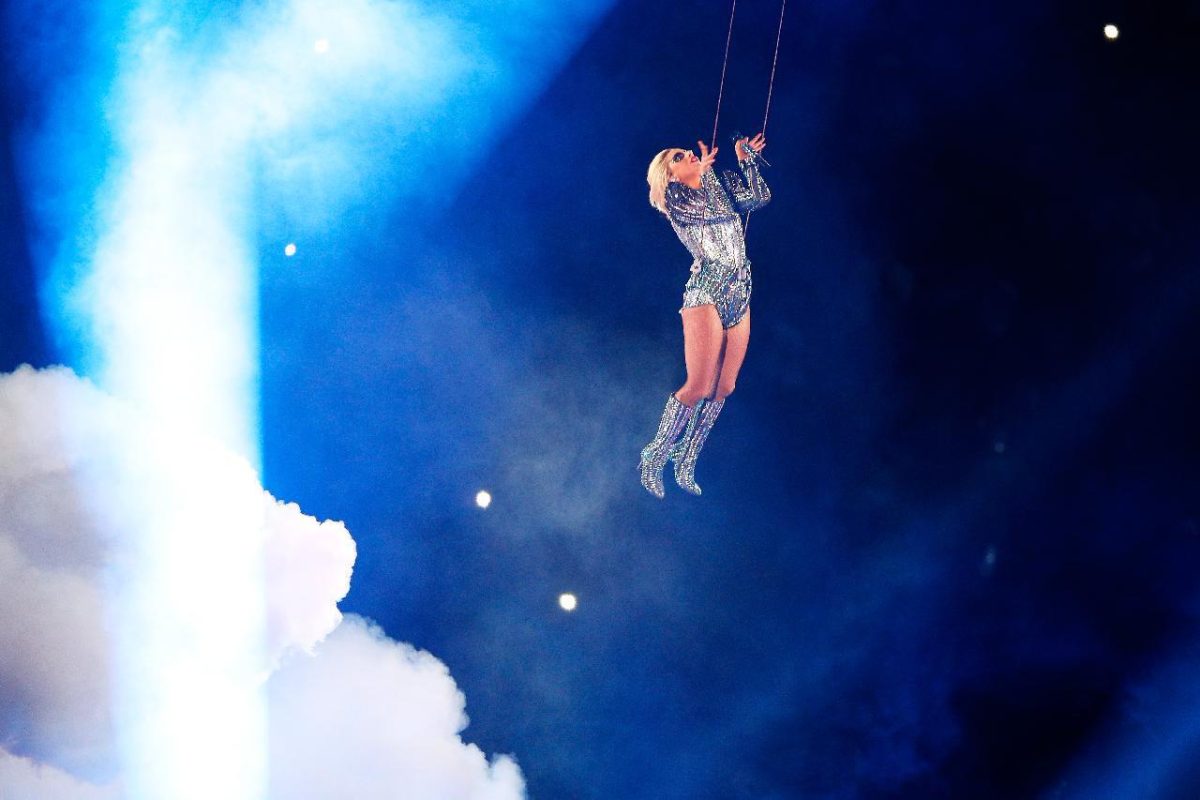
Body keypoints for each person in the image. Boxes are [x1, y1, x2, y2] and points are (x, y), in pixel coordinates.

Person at [639, 133, 770, 498]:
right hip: (707, 291)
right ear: (670, 175)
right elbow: (709, 210)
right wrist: (707, 174)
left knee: (724, 387)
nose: (688, 155)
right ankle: (655, 454)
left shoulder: (719, 184)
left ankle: (686, 457)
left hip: (740, 287)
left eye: (685, 152)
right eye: (678, 157)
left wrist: (746, 161)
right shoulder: (677, 201)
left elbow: (759, 198)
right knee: (697, 386)